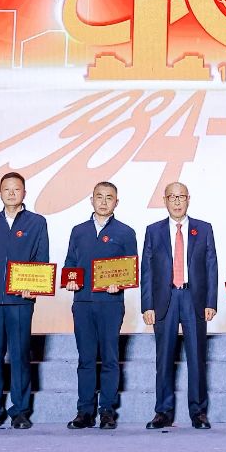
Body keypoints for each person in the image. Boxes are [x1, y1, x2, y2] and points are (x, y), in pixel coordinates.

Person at [0, 171, 48, 430]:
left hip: (20, 301)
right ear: (0, 193)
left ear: (24, 193)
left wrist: (34, 287)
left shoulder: (36, 222)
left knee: (19, 356)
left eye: (16, 189)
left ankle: (20, 411)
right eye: (7, 189)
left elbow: (41, 257)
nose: (12, 193)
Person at [141, 181, 218, 430]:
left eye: (181, 197)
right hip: (165, 300)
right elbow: (147, 271)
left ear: (188, 199)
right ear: (164, 200)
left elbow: (211, 266)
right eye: (172, 197)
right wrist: (147, 305)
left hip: (193, 298)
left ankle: (198, 412)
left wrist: (211, 301)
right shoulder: (153, 231)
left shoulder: (203, 229)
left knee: (197, 357)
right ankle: (163, 412)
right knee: (164, 358)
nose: (176, 201)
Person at [63, 181, 138, 430]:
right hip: (83, 302)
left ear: (117, 202)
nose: (104, 202)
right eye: (99, 196)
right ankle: (84, 411)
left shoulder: (126, 232)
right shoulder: (78, 231)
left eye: (109, 197)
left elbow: (131, 269)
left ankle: (107, 411)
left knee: (109, 358)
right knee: (85, 359)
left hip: (110, 303)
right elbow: (70, 263)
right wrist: (69, 280)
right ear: (91, 199)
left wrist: (121, 283)